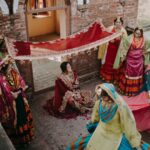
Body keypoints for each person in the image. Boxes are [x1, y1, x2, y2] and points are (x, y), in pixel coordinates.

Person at [66, 83, 150, 150]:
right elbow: (95, 118)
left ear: (110, 95)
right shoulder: (99, 103)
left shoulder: (120, 107)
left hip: (115, 136)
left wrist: (134, 142)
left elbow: (128, 124)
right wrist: (92, 123)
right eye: (101, 97)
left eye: (104, 97)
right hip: (100, 132)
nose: (102, 99)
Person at [0, 56, 34, 146]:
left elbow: (21, 80)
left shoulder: (14, 72)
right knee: (17, 119)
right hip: (13, 103)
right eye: (9, 66)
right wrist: (15, 93)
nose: (11, 67)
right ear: (4, 68)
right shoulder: (2, 80)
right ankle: (22, 141)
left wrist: (22, 87)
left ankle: (28, 137)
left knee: (23, 117)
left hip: (20, 98)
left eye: (11, 65)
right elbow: (6, 94)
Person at [114, 27, 150, 96]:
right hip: (130, 60)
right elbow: (124, 47)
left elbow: (147, 48)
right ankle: (128, 91)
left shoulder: (144, 40)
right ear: (134, 32)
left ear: (141, 34)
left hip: (139, 61)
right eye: (136, 33)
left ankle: (136, 90)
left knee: (138, 74)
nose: (137, 35)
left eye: (139, 33)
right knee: (129, 74)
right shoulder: (129, 39)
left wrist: (145, 55)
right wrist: (123, 57)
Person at [99, 17, 127, 82]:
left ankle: (113, 78)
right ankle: (106, 77)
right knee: (108, 62)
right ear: (114, 23)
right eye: (117, 22)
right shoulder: (110, 28)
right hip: (109, 49)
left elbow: (125, 43)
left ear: (122, 23)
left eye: (119, 22)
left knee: (115, 63)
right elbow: (104, 34)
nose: (118, 23)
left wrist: (119, 41)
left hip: (117, 51)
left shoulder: (123, 31)